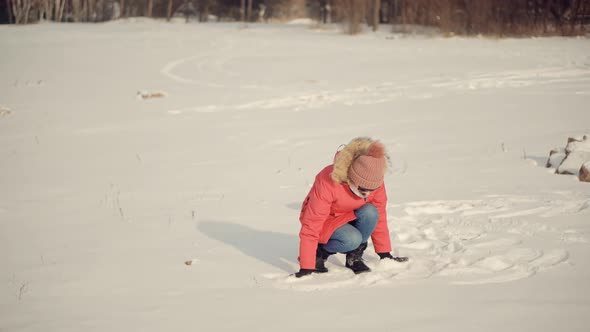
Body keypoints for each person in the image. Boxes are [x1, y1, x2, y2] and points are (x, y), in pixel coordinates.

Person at [295, 137, 407, 278]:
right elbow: (312, 223)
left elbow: (380, 216)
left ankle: (354, 257)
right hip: (326, 220)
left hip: (349, 215)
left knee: (371, 212)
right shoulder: (328, 181)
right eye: (363, 189)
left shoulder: (373, 180)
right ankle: (321, 251)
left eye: (372, 189)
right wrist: (306, 265)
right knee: (352, 239)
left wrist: (384, 253)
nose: (367, 193)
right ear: (352, 178)